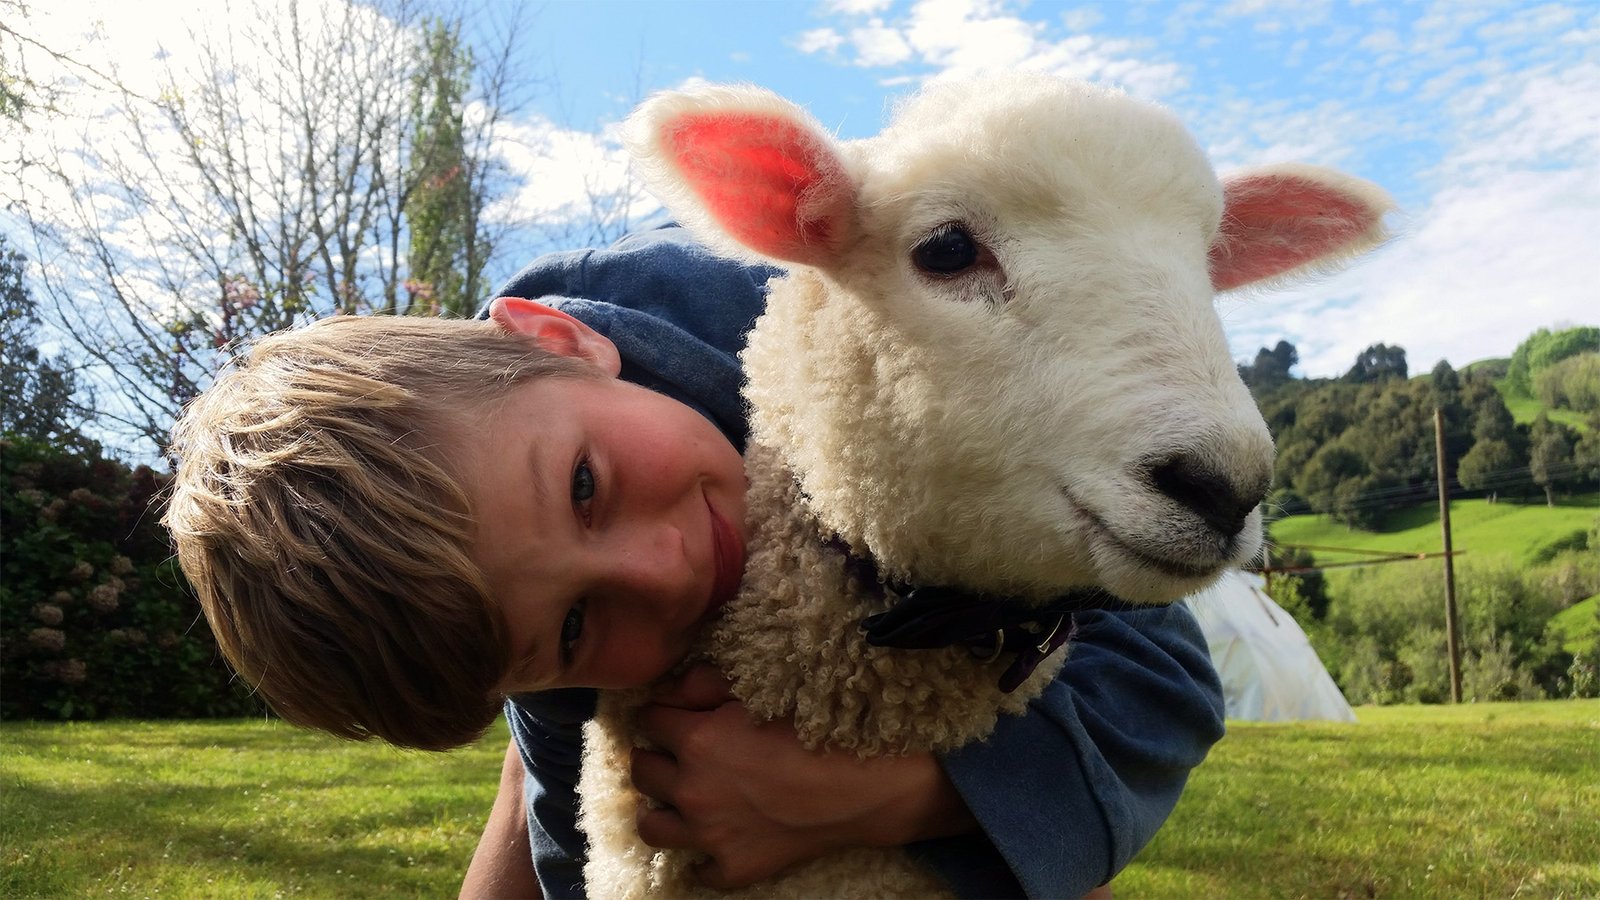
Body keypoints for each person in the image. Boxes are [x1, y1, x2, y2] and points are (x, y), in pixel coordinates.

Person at [166, 225, 1225, 900]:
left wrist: (898, 798)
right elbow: (580, 826)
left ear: (557, 344)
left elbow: (1160, 674)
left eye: (587, 486)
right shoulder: (516, 554)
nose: (666, 570)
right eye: (574, 626)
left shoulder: (822, 326)